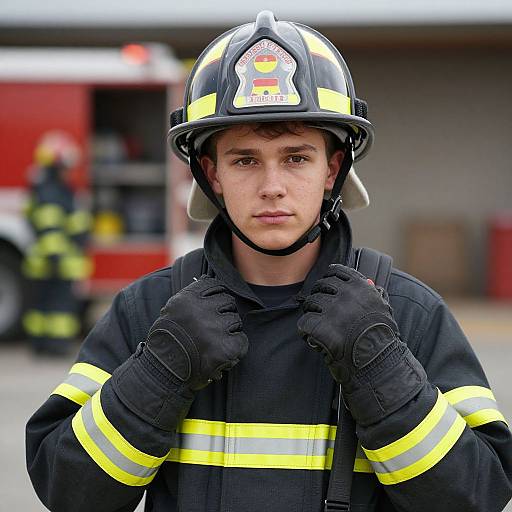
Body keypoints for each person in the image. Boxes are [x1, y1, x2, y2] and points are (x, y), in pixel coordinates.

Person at [26, 11, 512, 512]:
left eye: (297, 158)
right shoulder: (150, 310)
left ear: (334, 169)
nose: (272, 186)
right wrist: (158, 372)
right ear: (211, 174)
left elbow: (476, 497)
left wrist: (382, 369)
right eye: (245, 160)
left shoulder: (408, 312)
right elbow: (68, 491)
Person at [22, 131, 92, 355]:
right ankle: (55, 345)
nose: (67, 172)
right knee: (58, 307)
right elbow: (50, 228)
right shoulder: (53, 191)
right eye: (64, 167)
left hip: (48, 262)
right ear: (54, 166)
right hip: (57, 262)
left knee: (43, 305)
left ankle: (40, 343)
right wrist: (58, 258)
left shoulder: (47, 188)